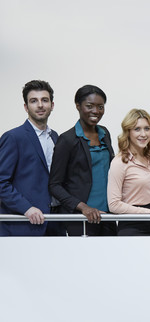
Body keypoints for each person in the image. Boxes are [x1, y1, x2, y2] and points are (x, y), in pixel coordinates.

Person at [49, 85, 117, 236]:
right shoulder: (67, 140)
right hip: (80, 217)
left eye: (100, 106)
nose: (96, 111)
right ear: (78, 106)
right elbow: (54, 185)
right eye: (89, 106)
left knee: (112, 258)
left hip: (107, 215)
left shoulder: (104, 133)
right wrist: (83, 208)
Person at [0, 80, 64, 236]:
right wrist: (26, 208)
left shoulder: (55, 137)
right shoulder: (13, 137)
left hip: (55, 221)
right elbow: (1, 182)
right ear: (26, 107)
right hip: (24, 224)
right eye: (33, 101)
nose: (40, 105)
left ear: (52, 105)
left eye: (44, 100)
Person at [107, 109, 150, 236]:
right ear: (128, 132)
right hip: (132, 226)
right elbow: (113, 204)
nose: (143, 134)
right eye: (137, 129)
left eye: (147, 129)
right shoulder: (119, 162)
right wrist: (148, 214)